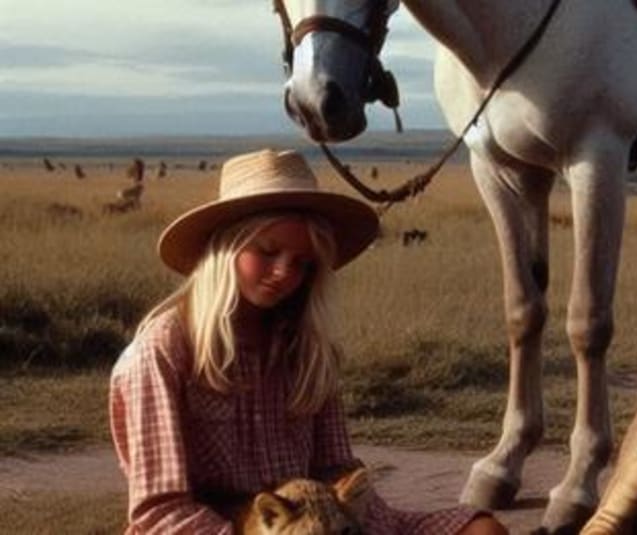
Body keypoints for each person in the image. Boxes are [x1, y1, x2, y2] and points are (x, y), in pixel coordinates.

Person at [109, 149, 507, 534]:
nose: (284, 272)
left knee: (482, 530)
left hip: (319, 524)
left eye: (303, 263)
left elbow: (335, 470)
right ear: (225, 246)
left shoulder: (309, 348)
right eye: (267, 251)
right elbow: (160, 512)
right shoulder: (161, 351)